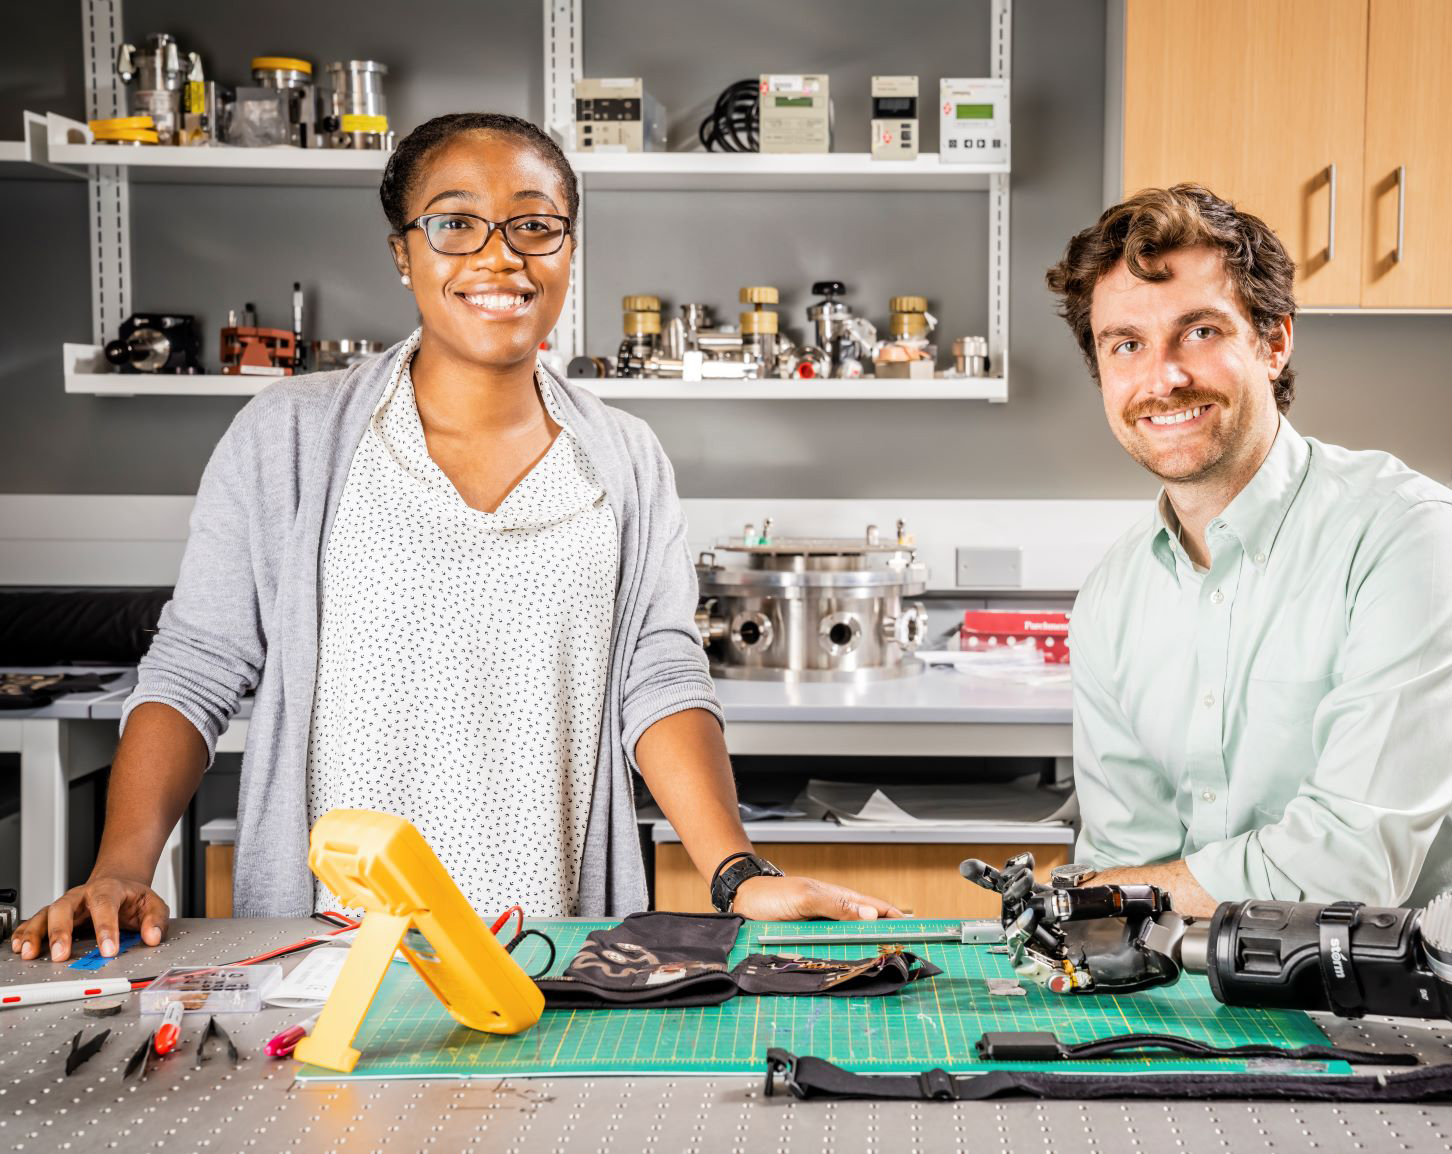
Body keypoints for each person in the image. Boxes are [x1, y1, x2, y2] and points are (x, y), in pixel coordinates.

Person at [13, 112, 900, 964]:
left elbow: (658, 676)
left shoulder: (625, 459)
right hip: (333, 956)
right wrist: (121, 868)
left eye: (533, 226)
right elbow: (197, 667)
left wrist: (736, 872)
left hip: (551, 948)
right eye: (455, 225)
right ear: (403, 251)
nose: (499, 256)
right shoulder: (289, 436)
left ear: (569, 247)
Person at [1044, 184, 1452, 918]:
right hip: (1202, 1008)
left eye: (1200, 331)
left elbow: (1350, 865)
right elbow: (1129, 867)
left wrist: (1106, 897)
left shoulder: (1410, 538)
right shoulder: (1113, 597)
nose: (1164, 376)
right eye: (1128, 345)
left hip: (1408, 1011)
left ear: (1273, 342)